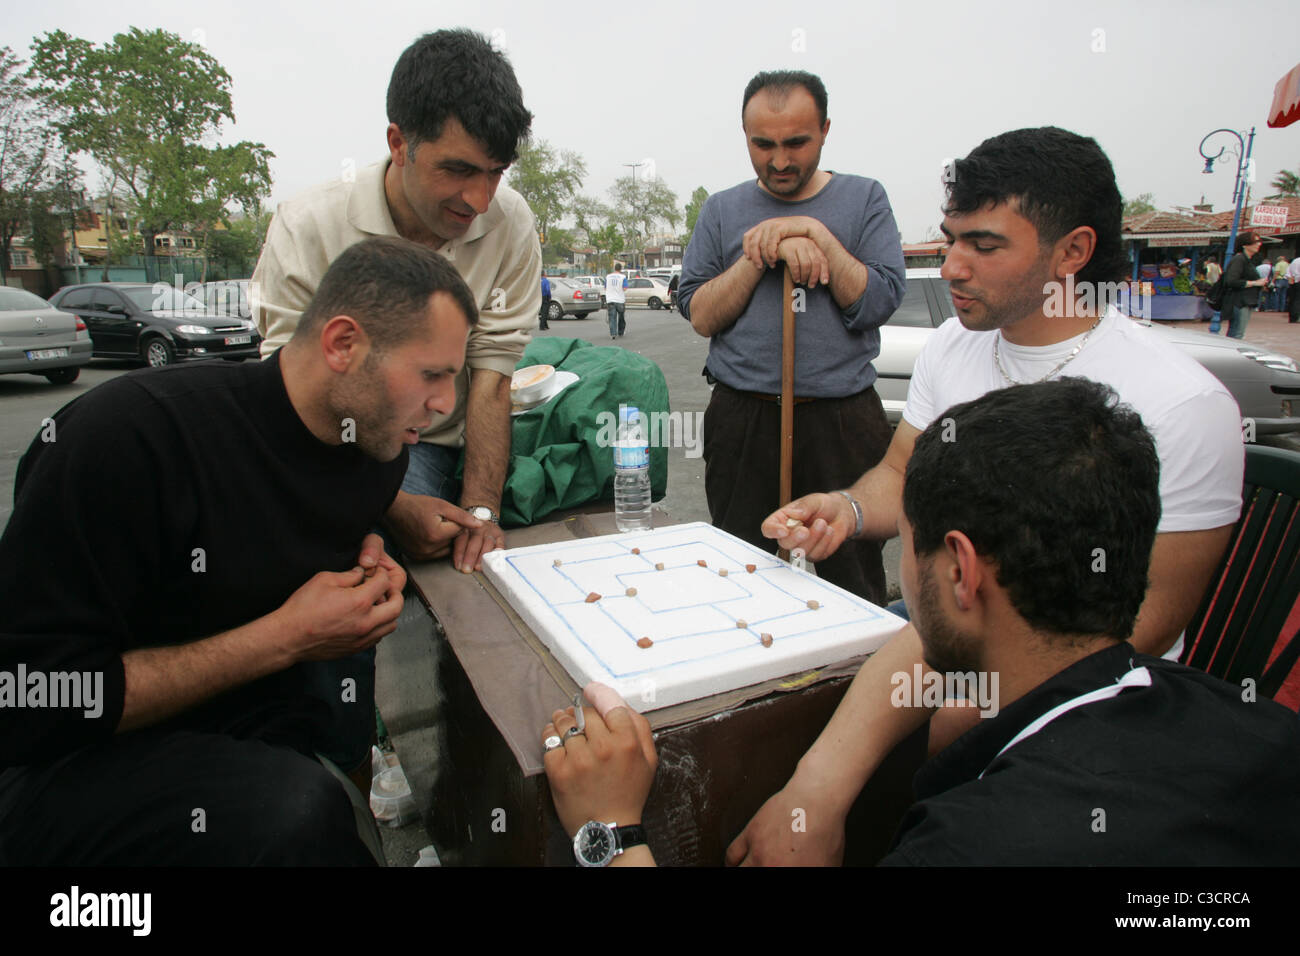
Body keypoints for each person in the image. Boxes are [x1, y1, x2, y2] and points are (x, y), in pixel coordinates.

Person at [730, 126, 1244, 865]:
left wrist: (847, 765)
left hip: (1082, 673)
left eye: (985, 245)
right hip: (943, 615)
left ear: (1072, 252)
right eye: (949, 240)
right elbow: (901, 475)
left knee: (951, 717)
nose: (952, 266)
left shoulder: (1177, 404)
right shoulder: (954, 348)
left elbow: (1138, 626)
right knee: (780, 686)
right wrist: (843, 510)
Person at [541, 380, 1300, 866]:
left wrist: (609, 835)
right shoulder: (1262, 732)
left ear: (960, 569)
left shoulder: (979, 845)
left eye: (910, 543)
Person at [0, 237, 476, 865]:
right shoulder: (127, 442)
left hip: (257, 738)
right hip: (67, 763)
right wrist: (290, 635)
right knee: (290, 812)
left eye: (455, 376)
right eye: (431, 375)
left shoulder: (372, 454)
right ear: (342, 344)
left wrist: (368, 569)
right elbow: (33, 697)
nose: (446, 404)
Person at [252, 28, 539, 575]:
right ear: (399, 143)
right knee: (326, 565)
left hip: (440, 443)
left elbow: (493, 378)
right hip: (331, 445)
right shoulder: (307, 225)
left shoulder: (512, 222)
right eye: (457, 170)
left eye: (495, 173)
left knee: (474, 574)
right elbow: (286, 399)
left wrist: (480, 513)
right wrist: (389, 501)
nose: (479, 201)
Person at [678, 69, 906, 603]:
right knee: (740, 571)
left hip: (843, 420)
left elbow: (878, 301)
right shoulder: (721, 209)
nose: (779, 161)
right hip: (743, 417)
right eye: (763, 145)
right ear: (745, 136)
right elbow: (701, 315)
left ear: (825, 130)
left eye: (796, 142)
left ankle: (848, 685)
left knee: (848, 578)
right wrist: (761, 253)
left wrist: (817, 237)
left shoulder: (865, 198)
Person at [1222, 232, 1268, 339]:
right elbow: (1231, 281)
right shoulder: (1239, 259)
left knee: (1238, 332)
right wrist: (1255, 283)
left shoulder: (1248, 260)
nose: (1259, 244)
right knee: (1236, 333)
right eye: (1255, 242)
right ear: (1245, 244)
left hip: (1246, 301)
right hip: (1239, 301)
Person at [605, 262, 627, 339]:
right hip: (620, 300)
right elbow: (624, 288)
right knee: (621, 317)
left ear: (614, 268)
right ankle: (620, 332)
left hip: (610, 299)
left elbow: (605, 288)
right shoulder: (623, 277)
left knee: (612, 317)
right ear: (620, 269)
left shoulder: (608, 277)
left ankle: (613, 334)